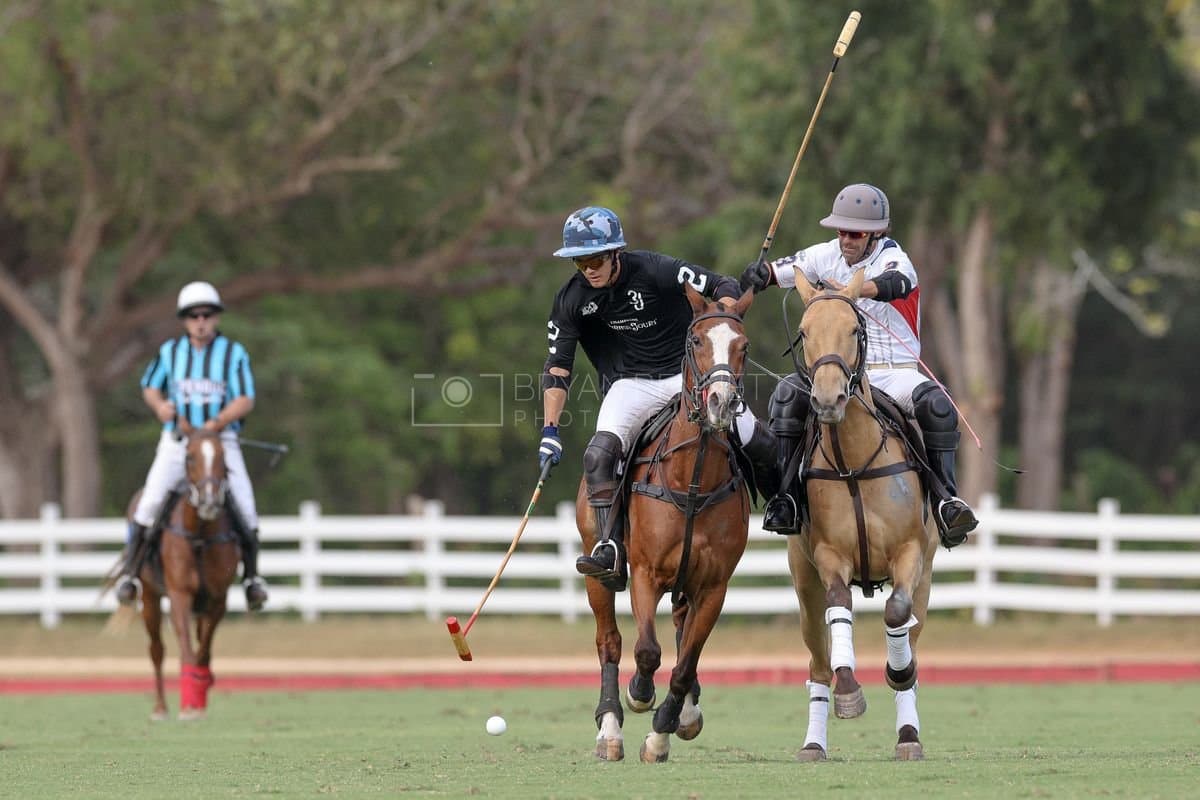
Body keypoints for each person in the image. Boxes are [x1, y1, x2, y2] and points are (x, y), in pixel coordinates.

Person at [539, 206, 777, 591]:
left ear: (616, 252)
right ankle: (609, 548)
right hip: (629, 386)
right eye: (580, 261)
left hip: (690, 378)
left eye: (596, 258)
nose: (589, 269)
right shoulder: (570, 299)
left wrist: (726, 318)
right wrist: (550, 430)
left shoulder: (654, 269)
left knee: (757, 439)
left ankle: (784, 508)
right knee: (599, 455)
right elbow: (557, 368)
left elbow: (723, 284)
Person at [740, 183, 978, 547]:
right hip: (840, 372)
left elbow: (895, 283)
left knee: (937, 405)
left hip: (894, 371)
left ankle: (946, 501)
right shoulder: (826, 254)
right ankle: (786, 497)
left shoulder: (893, 258)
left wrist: (853, 290)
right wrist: (759, 275)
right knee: (787, 395)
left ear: (875, 234)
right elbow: (782, 270)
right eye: (841, 231)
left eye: (855, 233)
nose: (846, 239)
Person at [115, 281, 269, 610]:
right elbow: (150, 388)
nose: (200, 320)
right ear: (184, 320)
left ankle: (252, 579)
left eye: (207, 314)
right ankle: (130, 573)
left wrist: (214, 425)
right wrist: (160, 407)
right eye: (193, 315)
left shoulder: (233, 353)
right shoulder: (170, 352)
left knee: (245, 505)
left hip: (220, 441)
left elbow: (245, 399)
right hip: (178, 442)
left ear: (216, 318)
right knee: (150, 502)